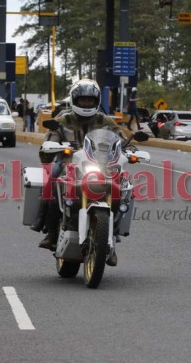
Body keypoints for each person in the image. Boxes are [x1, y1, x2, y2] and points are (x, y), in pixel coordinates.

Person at [33, 79, 122, 265]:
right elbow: (49, 142)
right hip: (69, 164)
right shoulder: (62, 120)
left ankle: (111, 237)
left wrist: (131, 150)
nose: (86, 103)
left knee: (122, 189)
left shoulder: (105, 121)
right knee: (52, 180)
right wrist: (50, 146)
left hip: (99, 164)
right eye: (83, 100)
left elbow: (119, 138)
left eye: (90, 100)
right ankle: (50, 231)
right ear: (75, 100)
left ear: (96, 101)